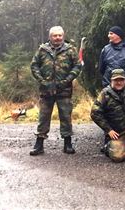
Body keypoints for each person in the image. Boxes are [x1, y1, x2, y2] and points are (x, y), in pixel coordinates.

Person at [29, 26, 82, 156]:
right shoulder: (42, 50)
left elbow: (77, 65)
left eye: (60, 35)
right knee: (43, 117)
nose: (57, 38)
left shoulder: (70, 49)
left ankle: (67, 144)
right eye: (55, 36)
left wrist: (67, 80)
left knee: (65, 116)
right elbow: (34, 65)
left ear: (63, 36)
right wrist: (42, 81)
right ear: (50, 37)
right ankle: (39, 144)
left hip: (64, 90)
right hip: (46, 90)